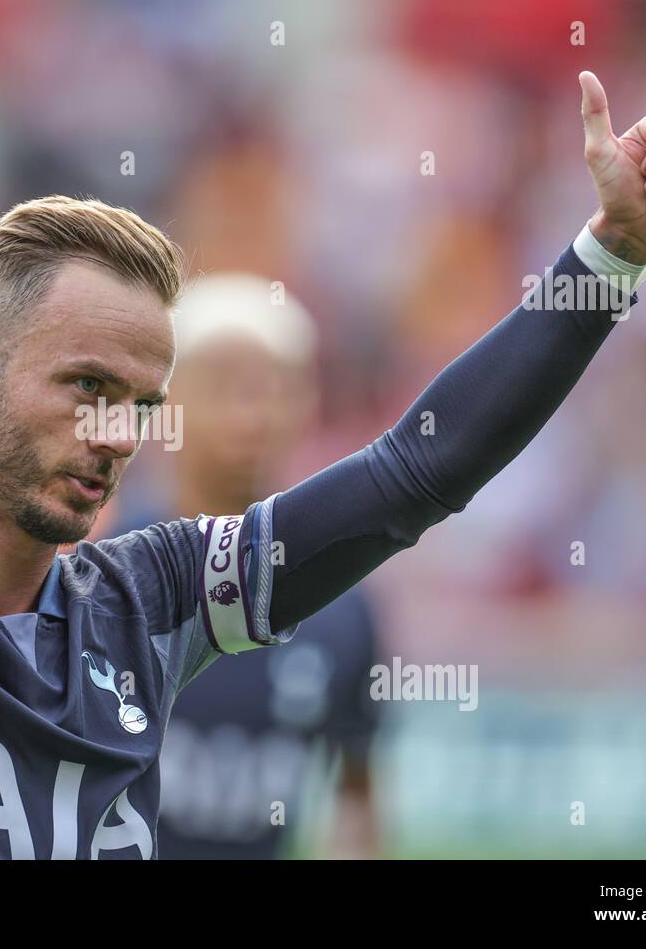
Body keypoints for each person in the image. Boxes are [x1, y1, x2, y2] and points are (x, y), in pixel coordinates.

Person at [0, 0, 646, 859]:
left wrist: (608, 258)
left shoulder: (146, 603)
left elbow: (413, 476)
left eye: (141, 403)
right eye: (82, 384)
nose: (114, 430)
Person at [121, 274, 380, 859]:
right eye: (225, 384)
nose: (253, 410)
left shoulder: (339, 600)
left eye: (276, 387)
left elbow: (356, 797)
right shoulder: (100, 568)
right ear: (166, 401)